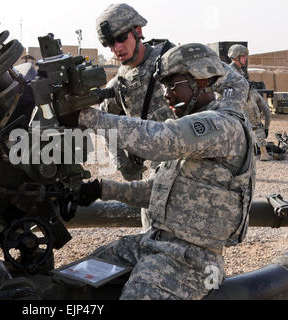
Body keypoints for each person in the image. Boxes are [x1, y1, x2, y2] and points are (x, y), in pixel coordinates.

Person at [61, 43, 256, 300]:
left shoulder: (223, 125)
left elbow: (160, 140)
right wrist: (100, 189)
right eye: (163, 86)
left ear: (202, 80)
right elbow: (156, 192)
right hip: (153, 244)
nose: (166, 94)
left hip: (192, 261)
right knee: (71, 281)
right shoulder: (193, 130)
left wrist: (87, 117)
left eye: (173, 85)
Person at [94, 3, 250, 232]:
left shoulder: (175, 60)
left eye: (120, 38)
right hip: (160, 178)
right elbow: (108, 122)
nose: (116, 48)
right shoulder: (119, 84)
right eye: (109, 43)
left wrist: (223, 122)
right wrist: (124, 163)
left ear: (137, 30)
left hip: (197, 173)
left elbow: (236, 83)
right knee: (152, 238)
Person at [228, 44, 272, 161]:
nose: (245, 58)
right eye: (243, 56)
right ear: (236, 57)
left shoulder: (237, 70)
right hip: (244, 103)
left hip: (246, 99)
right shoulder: (231, 71)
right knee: (256, 126)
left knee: (250, 127)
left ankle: (253, 153)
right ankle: (263, 153)